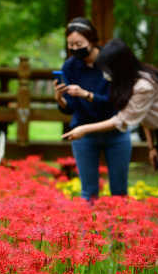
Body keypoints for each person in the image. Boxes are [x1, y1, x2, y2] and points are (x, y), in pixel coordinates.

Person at [63, 38, 158, 212]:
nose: (103, 72)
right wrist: (151, 146)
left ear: (118, 66)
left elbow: (124, 120)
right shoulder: (127, 81)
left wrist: (84, 129)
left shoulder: (144, 85)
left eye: (106, 68)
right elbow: (143, 115)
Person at [53, 18, 128, 202]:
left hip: (115, 131)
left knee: (119, 191)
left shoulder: (111, 61)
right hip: (83, 134)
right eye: (70, 44)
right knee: (88, 192)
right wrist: (59, 98)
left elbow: (115, 102)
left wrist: (86, 94)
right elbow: (70, 108)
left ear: (92, 40)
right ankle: (90, 231)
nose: (74, 48)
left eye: (79, 44)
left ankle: (121, 231)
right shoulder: (70, 66)